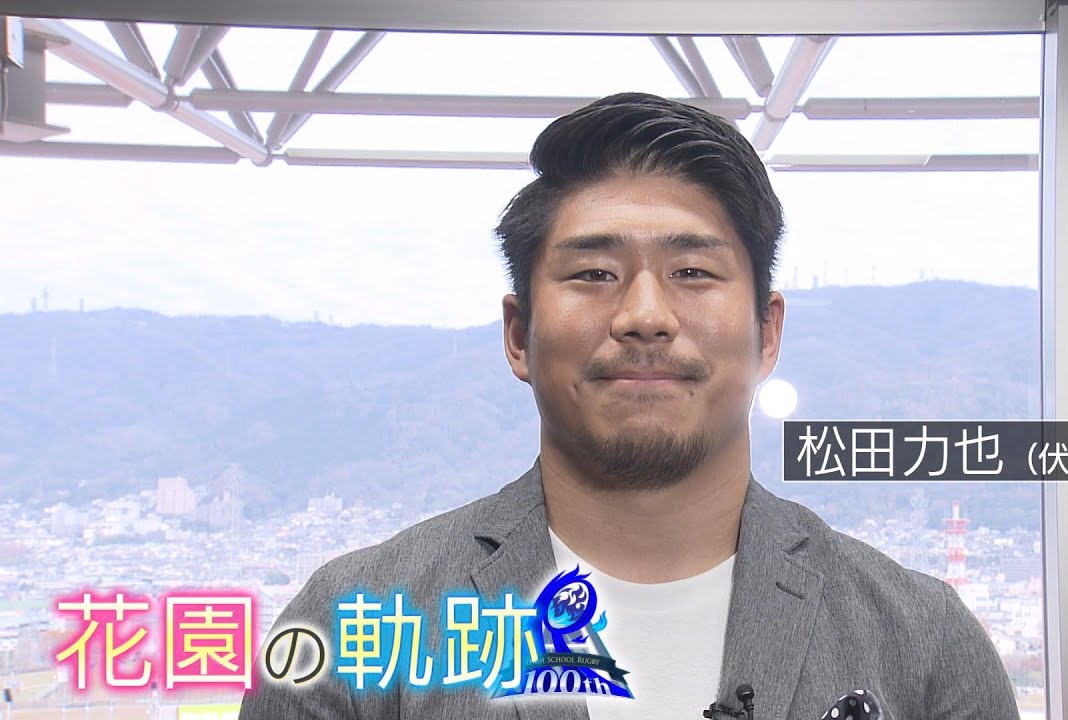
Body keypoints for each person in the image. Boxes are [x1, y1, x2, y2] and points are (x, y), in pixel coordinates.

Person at [237, 92, 1020, 720]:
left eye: (692, 272)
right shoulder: (351, 622)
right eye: (594, 274)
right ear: (519, 335)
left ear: (767, 332)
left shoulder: (921, 640)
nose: (645, 315)